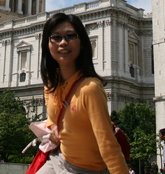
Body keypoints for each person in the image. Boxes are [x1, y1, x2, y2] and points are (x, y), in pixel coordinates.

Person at [37, 12, 127, 174]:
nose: (63, 42)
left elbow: (108, 144)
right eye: (56, 37)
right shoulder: (51, 83)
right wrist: (53, 127)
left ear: (83, 43)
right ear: (47, 44)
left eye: (70, 36)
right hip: (58, 159)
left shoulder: (90, 88)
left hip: (85, 169)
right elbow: (51, 112)